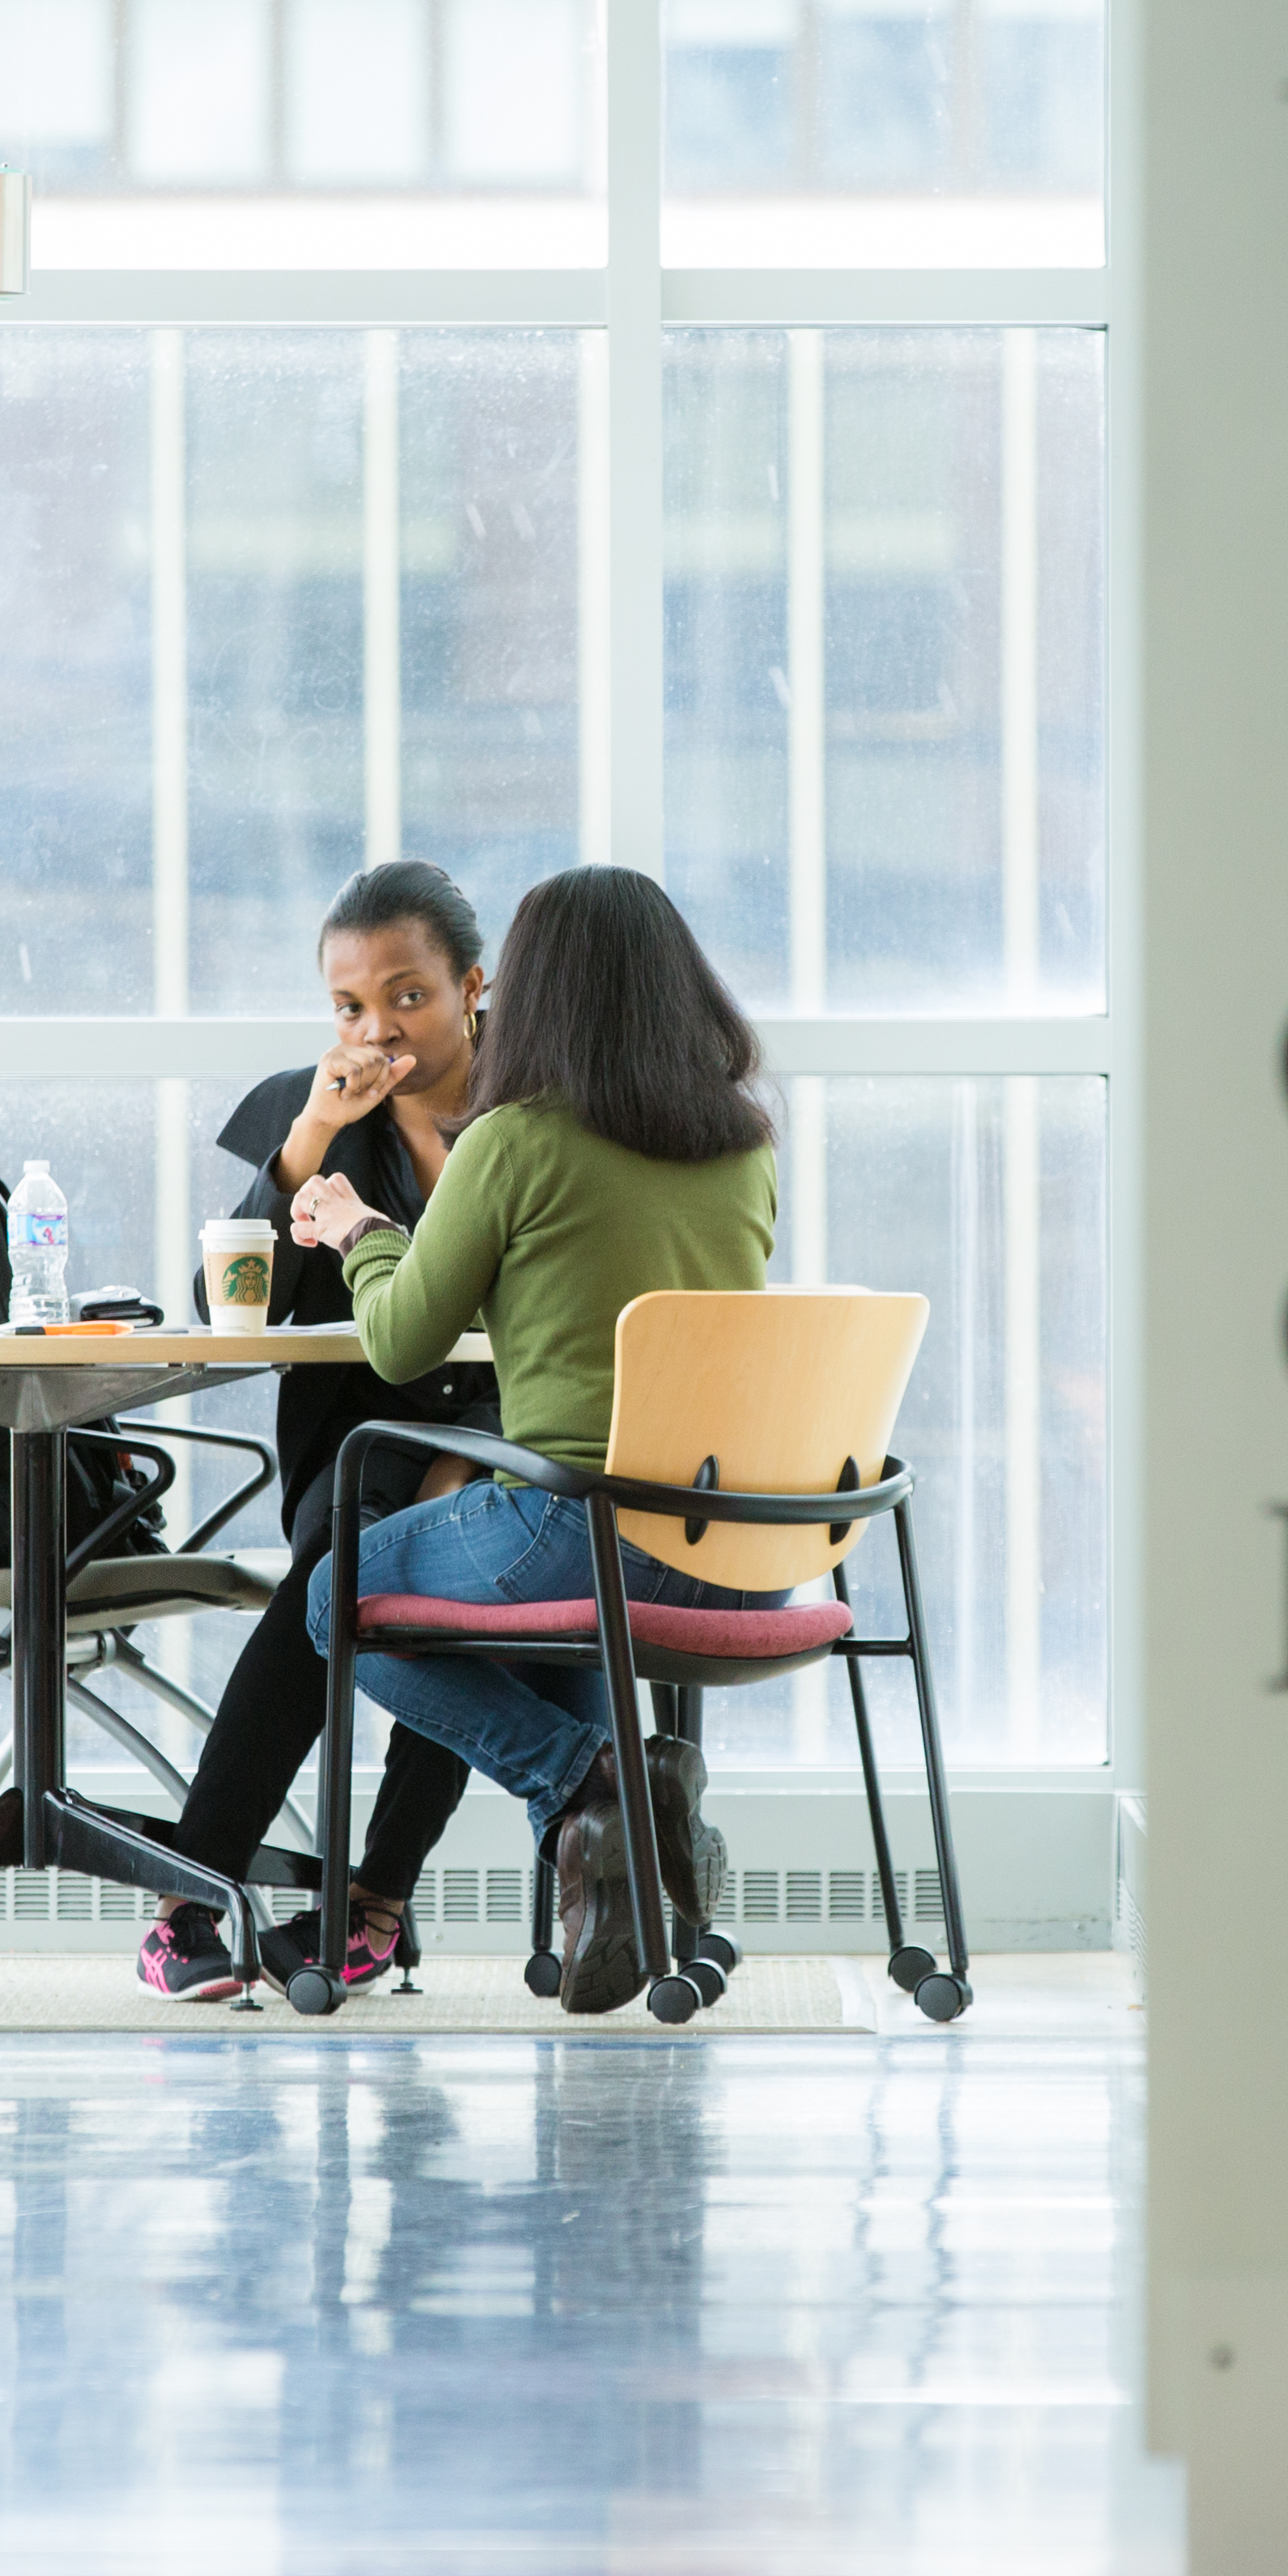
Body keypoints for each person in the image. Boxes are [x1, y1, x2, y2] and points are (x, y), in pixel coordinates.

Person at [289, 864, 784, 2012]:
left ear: (529, 992)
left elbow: (405, 1340)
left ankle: (594, 1792)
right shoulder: (742, 1144)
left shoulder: (511, 1140)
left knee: (337, 1594)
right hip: (745, 1554)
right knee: (570, 1613)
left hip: (576, 1524)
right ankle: (630, 1885)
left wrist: (361, 1230)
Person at [135, 862, 501, 2001]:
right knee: (331, 1565)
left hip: (507, 1428)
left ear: (472, 987)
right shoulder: (320, 1116)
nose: (378, 1027)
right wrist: (305, 1140)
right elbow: (233, 1310)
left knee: (460, 1558)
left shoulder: (535, 1110)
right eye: (350, 1005)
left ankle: (375, 1897)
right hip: (355, 1437)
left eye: (409, 996)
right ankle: (190, 1895)